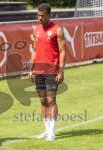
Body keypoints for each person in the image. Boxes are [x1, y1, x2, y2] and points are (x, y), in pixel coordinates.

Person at [28, 3, 66, 142]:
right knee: (43, 101)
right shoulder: (36, 30)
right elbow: (35, 51)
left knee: (51, 100)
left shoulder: (58, 30)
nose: (39, 18)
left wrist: (61, 71)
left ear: (49, 15)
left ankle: (52, 132)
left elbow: (62, 52)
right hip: (38, 70)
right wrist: (31, 69)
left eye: (42, 16)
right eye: (38, 15)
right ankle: (46, 130)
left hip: (52, 70)